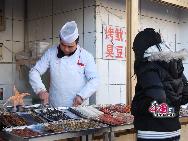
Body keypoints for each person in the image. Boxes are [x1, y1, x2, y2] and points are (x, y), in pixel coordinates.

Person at [131, 28, 188, 141]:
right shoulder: (174, 64)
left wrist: (136, 106)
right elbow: (186, 96)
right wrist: (171, 107)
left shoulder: (147, 65)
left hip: (152, 131)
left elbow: (158, 97)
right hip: (174, 130)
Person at [29, 21, 99, 107]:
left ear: (77, 43)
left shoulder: (86, 56)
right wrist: (40, 90)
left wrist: (82, 96)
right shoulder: (51, 52)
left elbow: (94, 80)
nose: (66, 49)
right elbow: (35, 71)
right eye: (63, 45)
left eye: (70, 46)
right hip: (55, 105)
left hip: (78, 107)